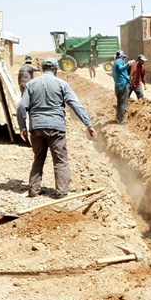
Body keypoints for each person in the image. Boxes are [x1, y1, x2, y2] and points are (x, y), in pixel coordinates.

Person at [17, 57, 96, 198]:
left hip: (36, 127)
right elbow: (76, 105)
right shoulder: (62, 84)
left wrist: (22, 126)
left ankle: (34, 189)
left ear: (41, 69)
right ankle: (61, 191)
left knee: (38, 158)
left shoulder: (31, 84)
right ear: (55, 69)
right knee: (60, 160)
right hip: (56, 128)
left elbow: (22, 106)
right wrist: (88, 124)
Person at [112, 50, 134, 125]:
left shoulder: (114, 63)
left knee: (119, 103)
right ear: (121, 57)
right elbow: (122, 68)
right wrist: (128, 64)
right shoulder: (119, 62)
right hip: (123, 86)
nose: (124, 59)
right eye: (123, 57)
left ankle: (118, 118)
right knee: (123, 103)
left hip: (117, 86)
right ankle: (121, 120)